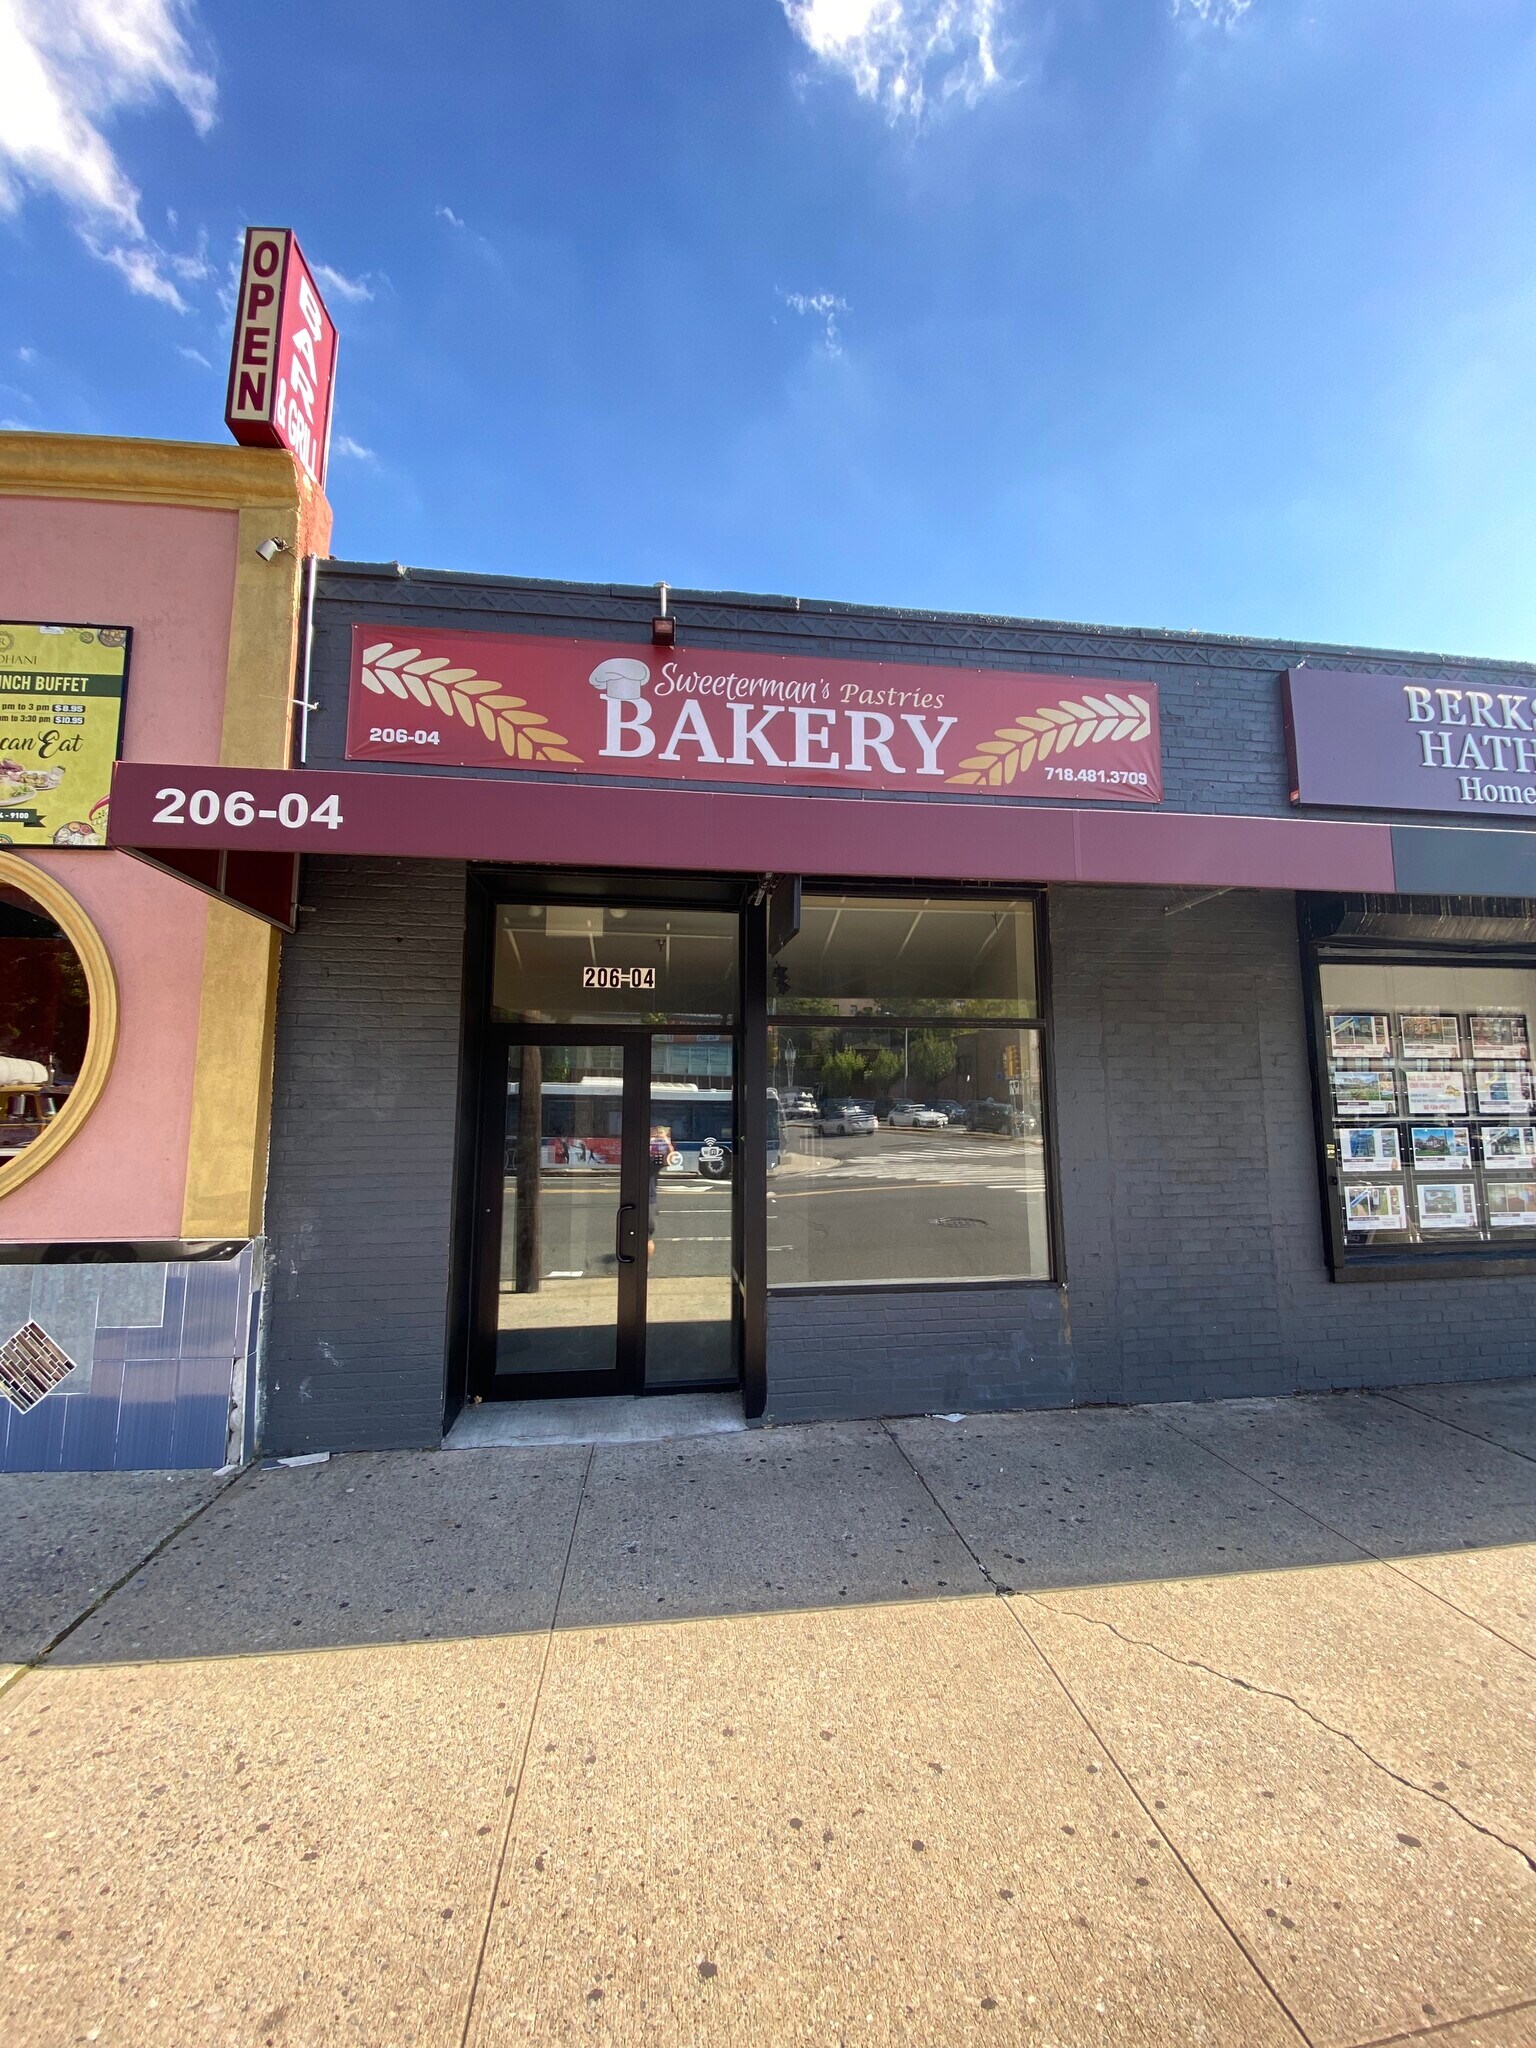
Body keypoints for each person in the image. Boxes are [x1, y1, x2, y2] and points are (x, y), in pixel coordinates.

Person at [647, 1122, 673, 1257]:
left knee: (646, 1237)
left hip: (649, 1202)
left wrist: (665, 1139)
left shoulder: (652, 1162)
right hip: (644, 1201)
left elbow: (670, 1158)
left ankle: (644, 1267)